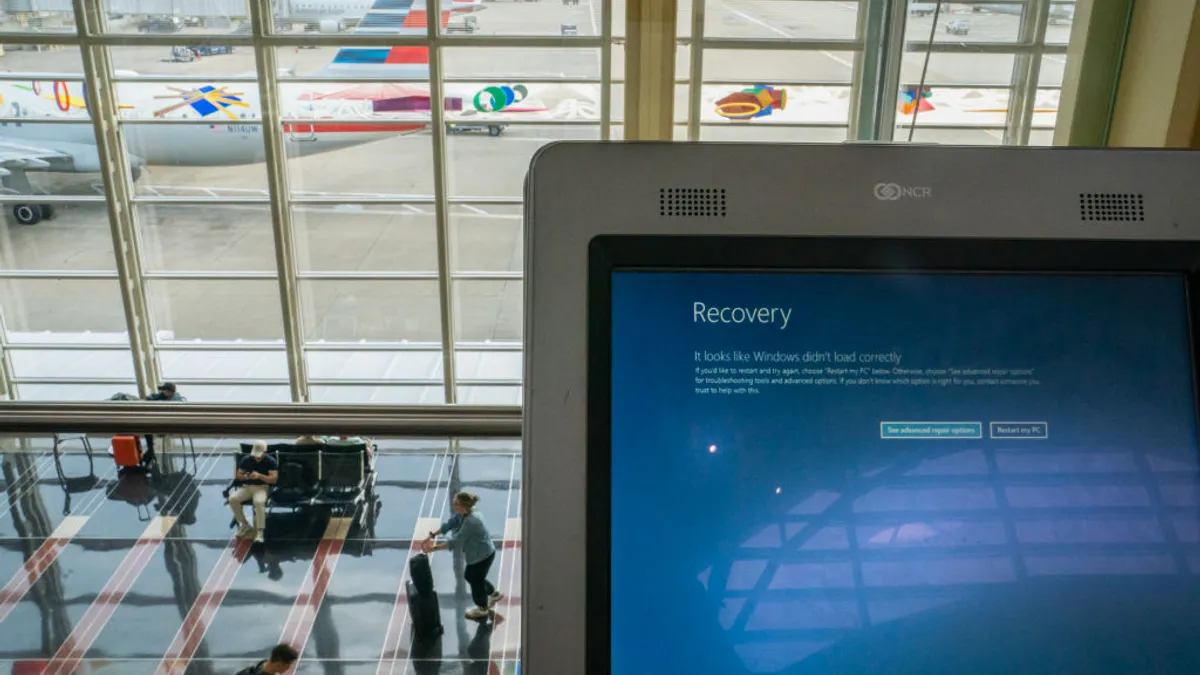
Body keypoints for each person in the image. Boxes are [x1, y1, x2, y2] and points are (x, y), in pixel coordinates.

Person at [422, 491, 501, 620]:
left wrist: (433, 548)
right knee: (471, 576)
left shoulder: (471, 521)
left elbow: (456, 542)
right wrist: (431, 536)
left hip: (482, 556)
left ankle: (483, 608)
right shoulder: (465, 513)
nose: (454, 506)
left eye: (456, 504)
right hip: (481, 553)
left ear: (463, 505)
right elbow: (450, 524)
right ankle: (494, 593)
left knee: (475, 581)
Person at [229, 440, 277, 543]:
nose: (257, 457)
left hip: (262, 487)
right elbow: (238, 475)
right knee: (233, 499)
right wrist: (246, 476)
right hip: (247, 487)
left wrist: (260, 476)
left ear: (264, 452)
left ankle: (260, 531)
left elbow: (273, 479)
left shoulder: (270, 461)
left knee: (259, 502)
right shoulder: (246, 460)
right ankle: (244, 524)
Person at [143, 382, 185, 458]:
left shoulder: (175, 399)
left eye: (164, 390)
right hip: (159, 420)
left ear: (170, 392)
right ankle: (150, 449)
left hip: (168, 422)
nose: (162, 392)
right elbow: (150, 398)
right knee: (147, 428)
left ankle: (151, 450)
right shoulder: (160, 396)